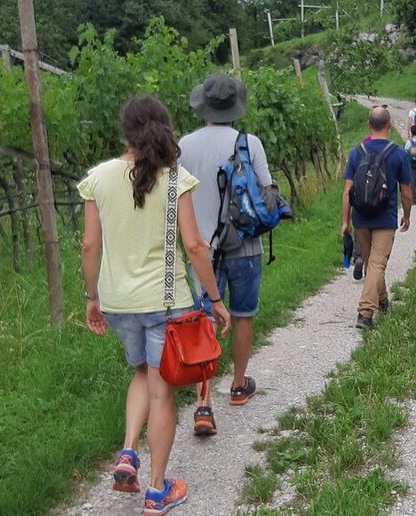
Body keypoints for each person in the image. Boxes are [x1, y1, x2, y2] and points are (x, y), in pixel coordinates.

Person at [79, 94, 230, 514]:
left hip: (117, 301)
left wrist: (91, 298)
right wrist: (215, 299)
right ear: (163, 128)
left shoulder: (97, 179)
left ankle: (129, 451)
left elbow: (89, 245)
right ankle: (158, 490)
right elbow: (194, 246)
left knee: (143, 371)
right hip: (166, 304)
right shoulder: (175, 179)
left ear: (124, 132)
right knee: (162, 391)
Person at [178, 73, 271, 424]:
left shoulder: (185, 146)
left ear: (203, 106)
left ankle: (203, 403)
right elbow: (267, 191)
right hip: (245, 244)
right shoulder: (250, 143)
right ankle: (238, 385)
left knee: (205, 318)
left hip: (201, 249)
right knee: (243, 314)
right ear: (235, 108)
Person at [342, 106, 413, 330]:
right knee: (376, 263)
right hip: (385, 218)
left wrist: (345, 221)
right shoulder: (398, 154)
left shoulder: (356, 153)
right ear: (389, 124)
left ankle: (382, 300)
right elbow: (406, 192)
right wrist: (407, 215)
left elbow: (347, 191)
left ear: (368, 125)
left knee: (372, 263)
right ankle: (365, 313)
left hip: (360, 217)